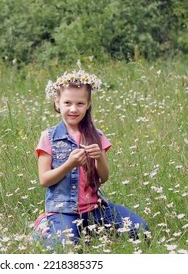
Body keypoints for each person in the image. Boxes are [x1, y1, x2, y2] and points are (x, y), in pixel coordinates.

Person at [32, 69, 149, 250]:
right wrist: (69, 164)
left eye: (80, 103)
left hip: (95, 209)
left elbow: (103, 177)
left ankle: (87, 229)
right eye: (67, 103)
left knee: (141, 230)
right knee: (66, 248)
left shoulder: (96, 135)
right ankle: (45, 225)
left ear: (88, 105)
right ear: (57, 103)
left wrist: (100, 157)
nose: (73, 109)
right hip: (63, 211)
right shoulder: (49, 137)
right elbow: (44, 180)